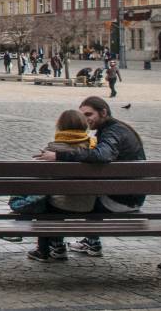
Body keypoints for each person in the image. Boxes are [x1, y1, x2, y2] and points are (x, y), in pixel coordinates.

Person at [34, 96, 146, 258]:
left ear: (103, 112)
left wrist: (59, 156)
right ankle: (91, 241)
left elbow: (102, 155)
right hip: (130, 195)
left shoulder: (113, 131)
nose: (85, 119)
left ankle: (54, 246)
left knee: (68, 199)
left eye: (89, 114)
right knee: (88, 192)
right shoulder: (116, 129)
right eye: (83, 115)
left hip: (122, 200)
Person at [26, 109, 96, 262]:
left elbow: (39, 180)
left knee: (46, 204)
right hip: (89, 204)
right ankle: (89, 243)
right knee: (57, 198)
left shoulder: (53, 149)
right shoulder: (93, 148)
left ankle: (44, 250)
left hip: (61, 205)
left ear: (60, 127)